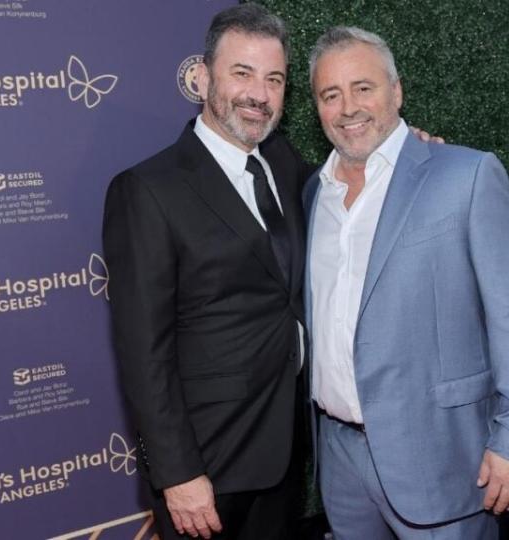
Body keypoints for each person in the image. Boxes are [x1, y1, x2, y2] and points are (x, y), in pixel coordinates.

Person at [303, 26, 509, 539]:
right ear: (317, 107)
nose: (348, 107)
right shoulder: (313, 195)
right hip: (341, 460)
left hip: (441, 455)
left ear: (397, 91)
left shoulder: (467, 175)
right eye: (331, 94)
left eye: (363, 88)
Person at [102, 5, 312, 539]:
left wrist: (405, 152)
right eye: (241, 73)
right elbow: (143, 350)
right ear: (202, 76)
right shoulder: (148, 189)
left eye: (274, 79)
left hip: (284, 448)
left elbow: (349, 186)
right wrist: (176, 473)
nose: (258, 94)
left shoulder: (283, 161)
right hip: (208, 466)